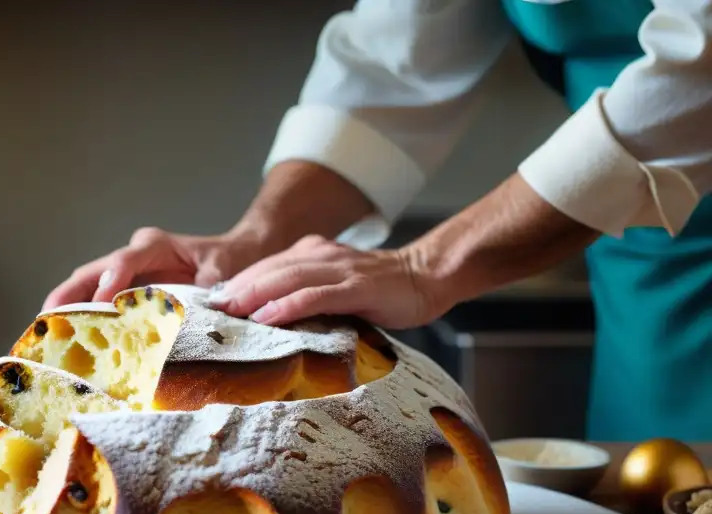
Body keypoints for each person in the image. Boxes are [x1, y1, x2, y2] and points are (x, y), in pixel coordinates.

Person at [43, 0, 712, 443]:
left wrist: (425, 268)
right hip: (647, 251)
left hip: (650, 183)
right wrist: (253, 240)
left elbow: (698, 74)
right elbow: (393, 69)